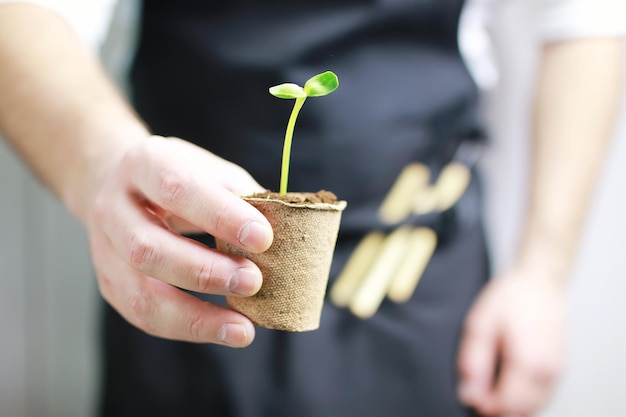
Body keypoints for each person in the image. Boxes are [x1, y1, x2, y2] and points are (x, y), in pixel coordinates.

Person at [0, 0, 623, 416]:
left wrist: (543, 272)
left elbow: (582, 15)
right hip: (189, 262)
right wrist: (105, 165)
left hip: (418, 260)